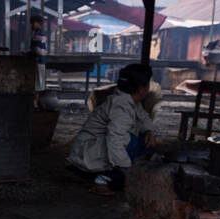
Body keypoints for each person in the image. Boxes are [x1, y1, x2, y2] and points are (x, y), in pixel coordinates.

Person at [66, 62, 156, 194]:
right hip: (86, 152)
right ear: (142, 89)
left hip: (96, 147)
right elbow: (115, 140)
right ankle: (102, 179)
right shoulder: (121, 106)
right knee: (128, 141)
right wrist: (128, 171)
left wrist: (149, 131)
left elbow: (143, 117)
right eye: (148, 83)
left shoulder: (130, 100)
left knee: (142, 141)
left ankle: (113, 175)